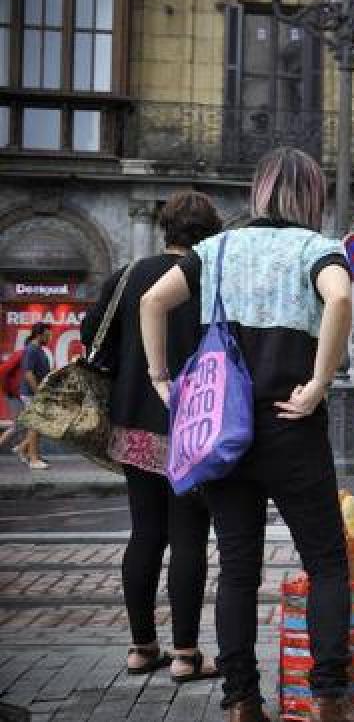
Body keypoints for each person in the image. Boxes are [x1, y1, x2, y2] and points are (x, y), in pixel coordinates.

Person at [140, 148, 354, 722]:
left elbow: (152, 300)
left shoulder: (215, 249)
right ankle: (328, 698)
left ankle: (242, 701)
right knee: (325, 562)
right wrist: (319, 380)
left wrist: (160, 378)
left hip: (226, 431)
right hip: (293, 427)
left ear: (259, 191)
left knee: (238, 567)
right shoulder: (316, 249)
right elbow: (340, 297)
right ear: (312, 196)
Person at [81, 191, 222, 680]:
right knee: (189, 537)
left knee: (145, 533)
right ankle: (186, 655)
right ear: (210, 232)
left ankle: (142, 648)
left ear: (165, 228)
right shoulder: (208, 275)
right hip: (196, 426)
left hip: (136, 421)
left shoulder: (128, 276)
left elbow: (92, 335)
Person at [14, 323, 52, 469]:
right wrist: (38, 393)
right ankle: (34, 460)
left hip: (35, 393)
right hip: (31, 394)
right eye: (48, 334)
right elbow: (28, 374)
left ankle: (23, 449)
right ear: (39, 334)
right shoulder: (31, 349)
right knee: (35, 426)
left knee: (38, 426)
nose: (50, 337)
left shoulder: (39, 350)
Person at [0, 345, 27, 454]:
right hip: (15, 395)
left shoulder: (28, 354)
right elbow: (3, 371)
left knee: (27, 426)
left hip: (20, 395)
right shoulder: (21, 354)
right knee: (18, 426)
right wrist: (11, 390)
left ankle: (23, 451)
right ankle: (21, 449)